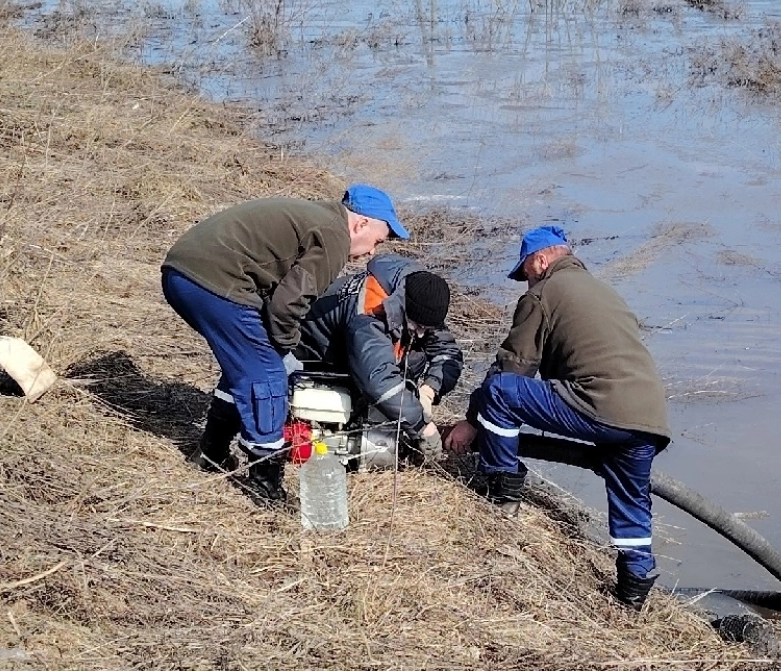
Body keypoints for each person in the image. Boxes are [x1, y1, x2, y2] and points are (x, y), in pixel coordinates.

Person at [444, 225, 671, 611]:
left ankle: (501, 492)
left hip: (600, 405)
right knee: (631, 500)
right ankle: (633, 594)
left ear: (541, 260)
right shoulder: (604, 292)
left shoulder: (544, 292)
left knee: (498, 392)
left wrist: (471, 421)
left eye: (526, 272)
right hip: (647, 419)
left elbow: (513, 368)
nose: (525, 282)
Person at [161, 184, 407, 504]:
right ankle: (265, 479)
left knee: (245, 367)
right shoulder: (334, 236)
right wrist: (288, 349)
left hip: (185, 271)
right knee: (268, 374)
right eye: (377, 241)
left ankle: (211, 452)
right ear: (361, 224)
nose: (372, 252)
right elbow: (287, 306)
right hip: (213, 281)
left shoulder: (319, 217)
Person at [295, 254, 462, 461]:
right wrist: (422, 426)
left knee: (414, 359)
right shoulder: (369, 311)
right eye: (418, 327)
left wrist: (429, 390)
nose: (420, 334)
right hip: (321, 357)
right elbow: (378, 380)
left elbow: (448, 353)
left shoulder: (421, 297)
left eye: (427, 329)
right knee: (371, 394)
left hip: (359, 355)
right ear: (406, 308)